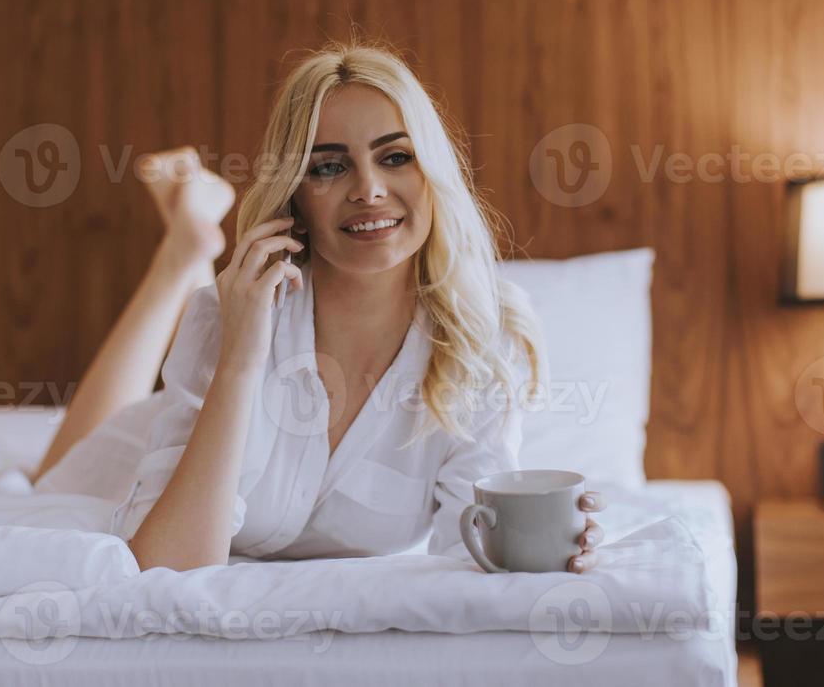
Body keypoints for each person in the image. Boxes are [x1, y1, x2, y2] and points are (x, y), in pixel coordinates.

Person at [33, 42, 605, 572]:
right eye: (328, 166)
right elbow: (167, 566)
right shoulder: (227, 316)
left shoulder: (484, 334)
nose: (369, 190)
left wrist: (549, 548)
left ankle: (190, 244)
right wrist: (240, 356)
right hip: (129, 465)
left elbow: (474, 549)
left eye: (396, 157)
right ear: (295, 195)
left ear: (432, 171)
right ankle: (182, 256)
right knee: (37, 480)